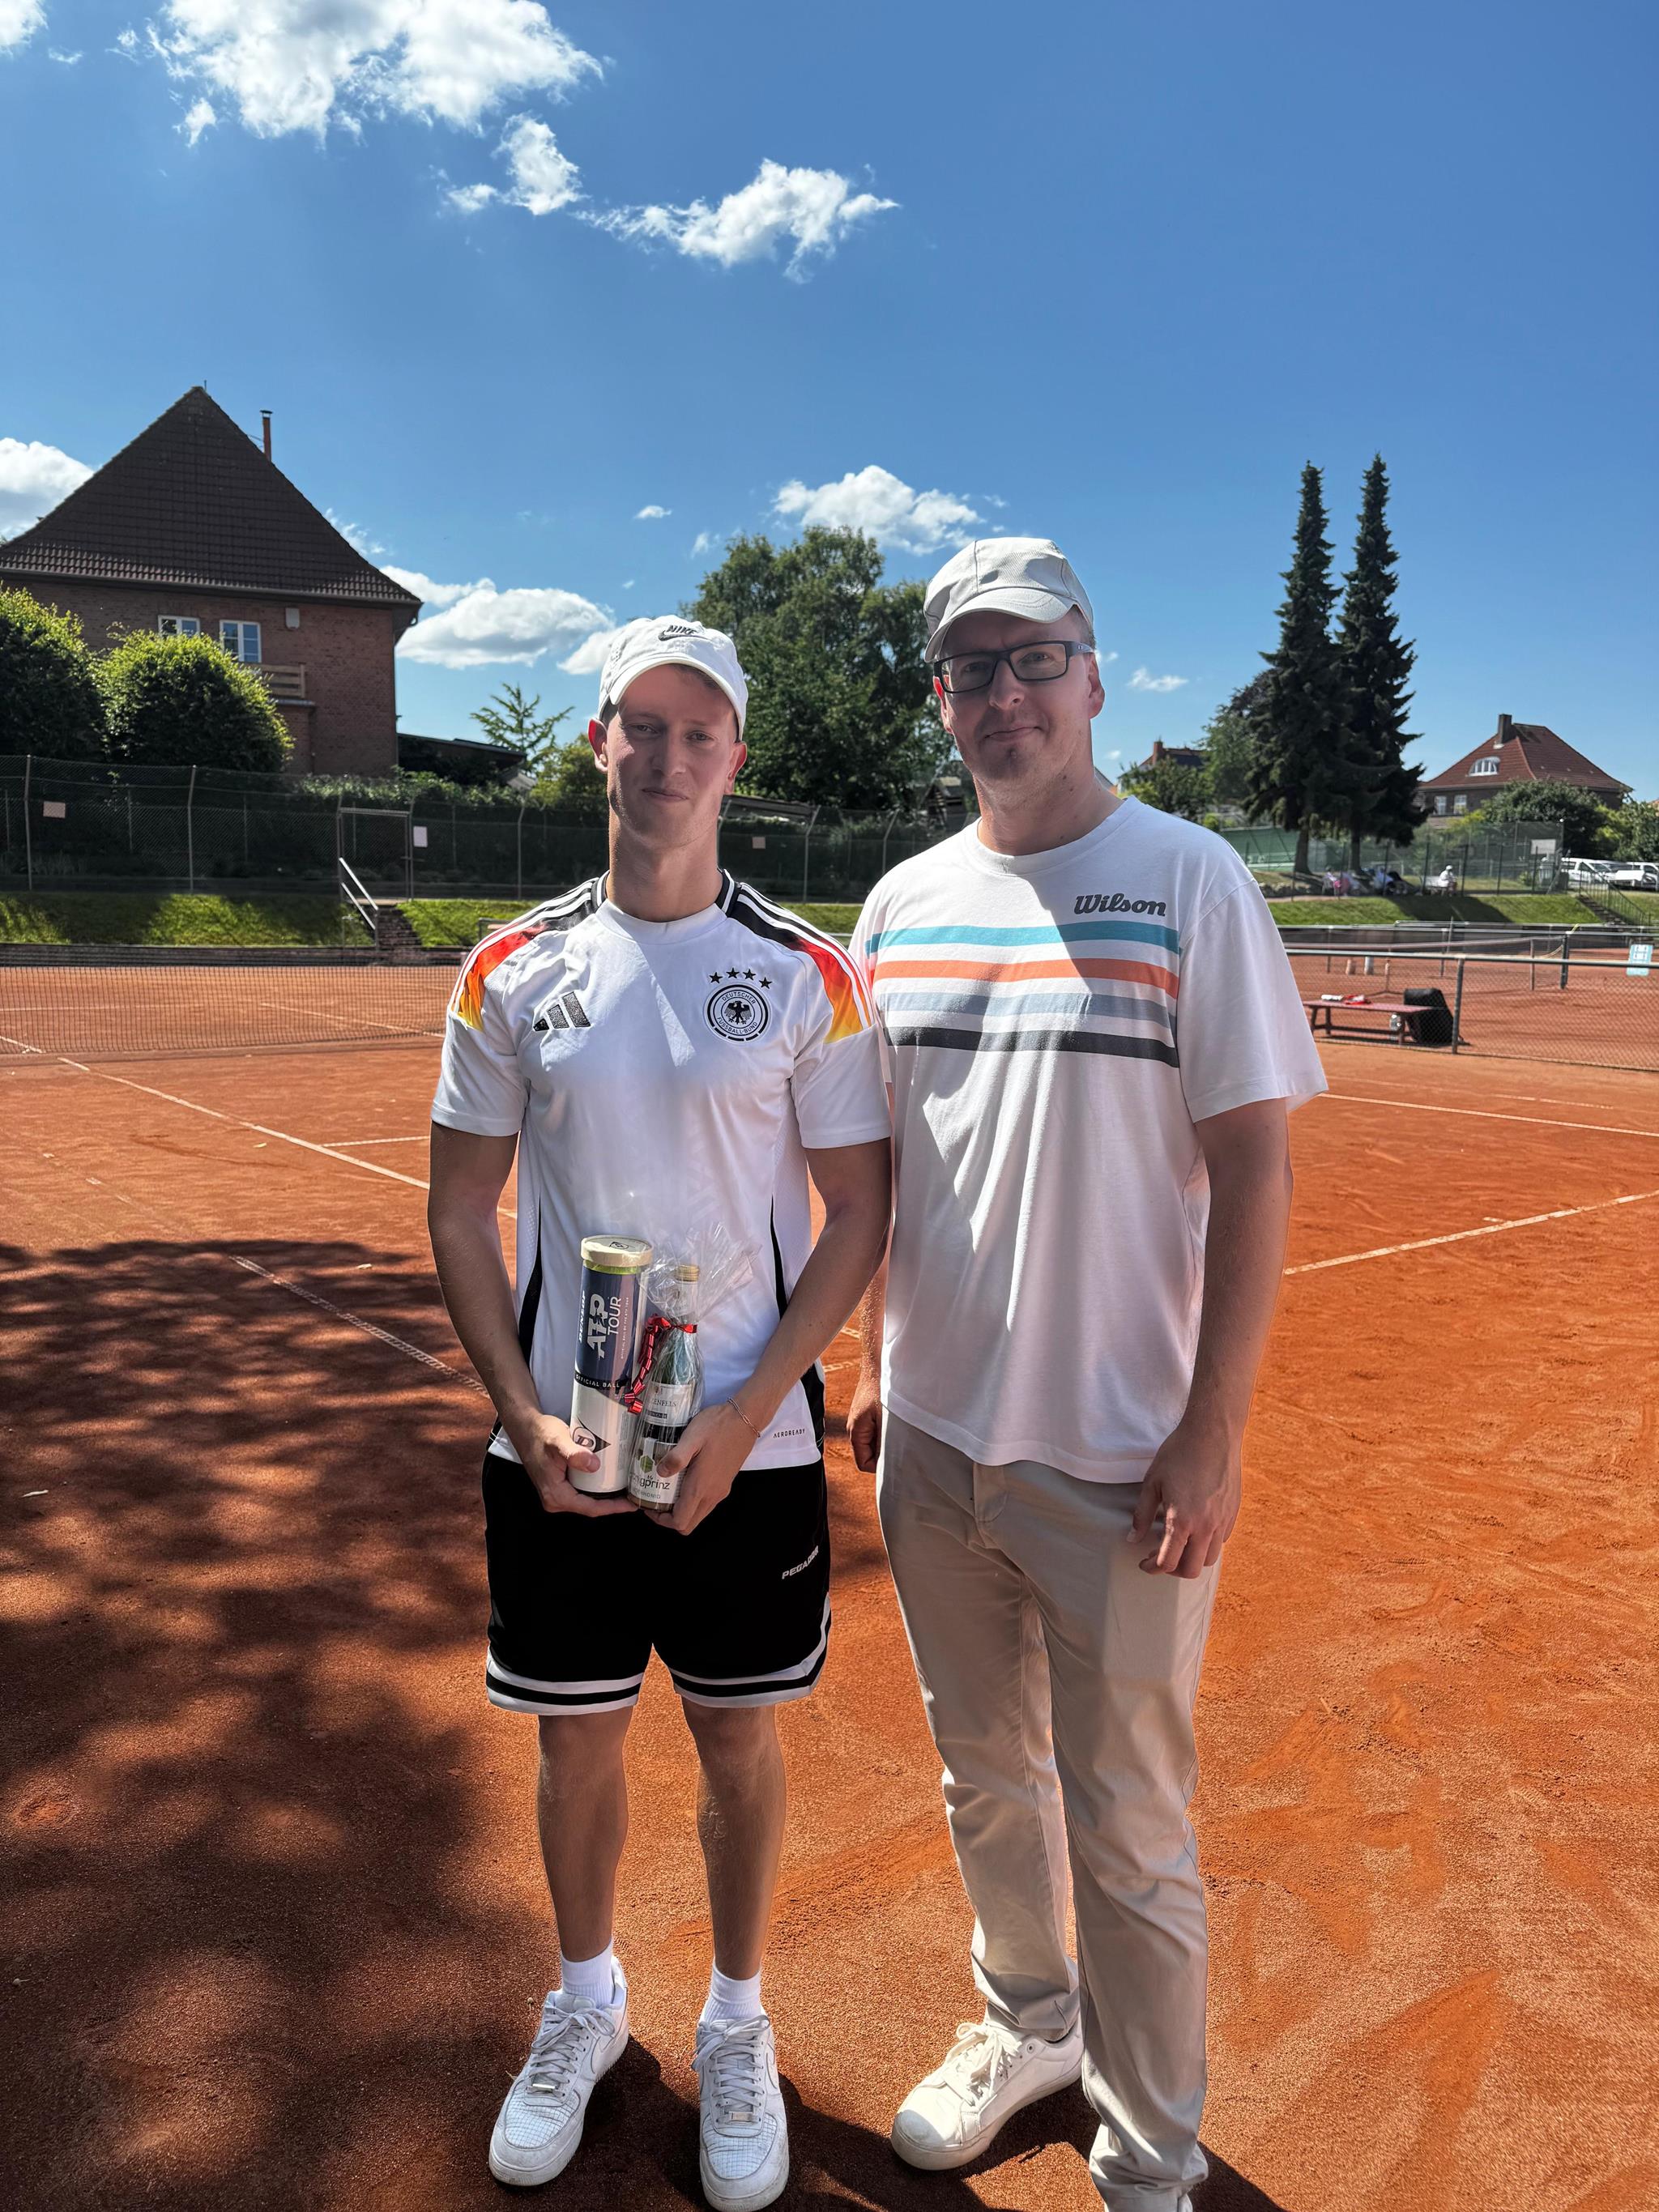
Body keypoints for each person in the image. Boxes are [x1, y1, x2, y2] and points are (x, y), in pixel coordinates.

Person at [848, 539, 1327, 2211]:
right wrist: (872, 1360)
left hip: (1121, 1464)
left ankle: (1148, 2160)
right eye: (972, 670)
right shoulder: (900, 905)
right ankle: (1027, 2023)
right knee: (984, 1778)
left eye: (1034, 661)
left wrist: (1213, 1429)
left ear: (1094, 676)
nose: (1006, 696)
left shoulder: (1189, 877)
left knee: (1128, 1827)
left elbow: (1255, 1168)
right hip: (933, 1447)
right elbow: (886, 1171)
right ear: (944, 702)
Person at [428, 616, 890, 2207]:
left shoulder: (808, 975)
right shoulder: (509, 966)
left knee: (737, 1737)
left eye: (701, 732)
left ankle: (737, 2020)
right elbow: (458, 1209)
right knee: (576, 1743)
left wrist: (748, 1413)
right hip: (562, 1447)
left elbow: (858, 1213)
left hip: (745, 1451)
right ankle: (586, 1999)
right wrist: (523, 1413)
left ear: (735, 759)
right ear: (597, 742)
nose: (669, 755)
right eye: (643, 724)